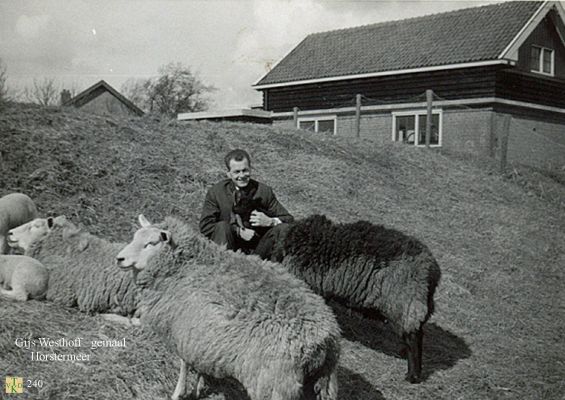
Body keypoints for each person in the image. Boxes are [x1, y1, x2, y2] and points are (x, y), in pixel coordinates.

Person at [199, 149, 294, 254]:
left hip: (259, 249)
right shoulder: (216, 192)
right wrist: (238, 231)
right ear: (229, 174)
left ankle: (274, 269)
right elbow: (205, 226)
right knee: (222, 226)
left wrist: (270, 221)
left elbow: (289, 220)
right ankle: (222, 265)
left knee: (282, 228)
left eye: (245, 170)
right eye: (237, 172)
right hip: (227, 247)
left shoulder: (264, 191)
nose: (242, 176)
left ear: (250, 169)